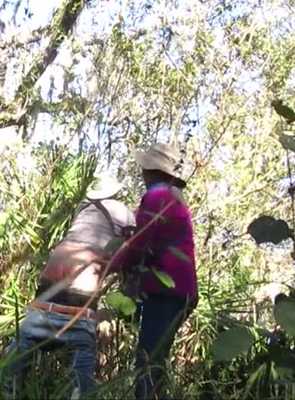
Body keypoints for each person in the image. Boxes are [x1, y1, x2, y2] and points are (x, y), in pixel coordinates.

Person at [3, 172, 136, 396]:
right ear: (115, 191)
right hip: (81, 293)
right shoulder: (121, 210)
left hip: (48, 288)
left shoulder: (82, 209)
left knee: (22, 342)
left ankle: (3, 390)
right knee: (83, 345)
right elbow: (135, 246)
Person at [108, 142, 198, 400]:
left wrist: (116, 264)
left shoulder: (157, 195)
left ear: (152, 171)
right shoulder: (174, 197)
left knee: (147, 361)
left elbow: (142, 240)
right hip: (181, 290)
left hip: (165, 290)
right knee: (156, 359)